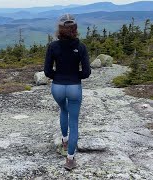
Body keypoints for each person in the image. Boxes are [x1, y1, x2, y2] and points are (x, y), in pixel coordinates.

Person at [44, 14, 91, 170]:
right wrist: (73, 76)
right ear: (75, 28)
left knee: (63, 110)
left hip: (57, 86)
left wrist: (58, 76)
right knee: (74, 122)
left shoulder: (53, 46)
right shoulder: (81, 47)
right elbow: (86, 73)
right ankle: (70, 160)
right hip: (74, 87)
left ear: (60, 29)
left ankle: (64, 141)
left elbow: (47, 71)